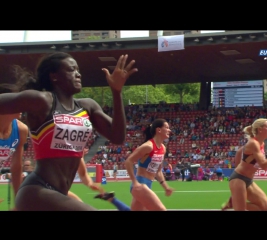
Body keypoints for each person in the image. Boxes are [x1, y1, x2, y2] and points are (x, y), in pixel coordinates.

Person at [0, 52, 137, 211]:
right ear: (54, 76)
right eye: (71, 70)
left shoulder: (87, 106)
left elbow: (118, 136)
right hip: (37, 191)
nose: (78, 74)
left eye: (78, 70)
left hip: (59, 194)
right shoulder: (42, 101)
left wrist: (116, 91)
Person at [227, 118, 267, 211]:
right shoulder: (253, 143)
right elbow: (263, 166)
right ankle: (236, 203)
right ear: (260, 129)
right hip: (239, 179)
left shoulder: (261, 143)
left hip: (248, 180)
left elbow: (240, 152)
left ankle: (234, 203)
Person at [124, 119, 174, 211]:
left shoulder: (163, 148)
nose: (169, 130)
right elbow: (128, 161)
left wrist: (166, 187)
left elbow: (158, 171)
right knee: (161, 209)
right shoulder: (148, 146)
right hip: (140, 185)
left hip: (148, 184)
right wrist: (134, 182)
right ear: (158, 130)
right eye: (166, 127)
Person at [0, 84, 29, 199]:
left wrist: (19, 201)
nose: (21, 106)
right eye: (17, 102)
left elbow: (16, 168)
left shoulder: (21, 130)